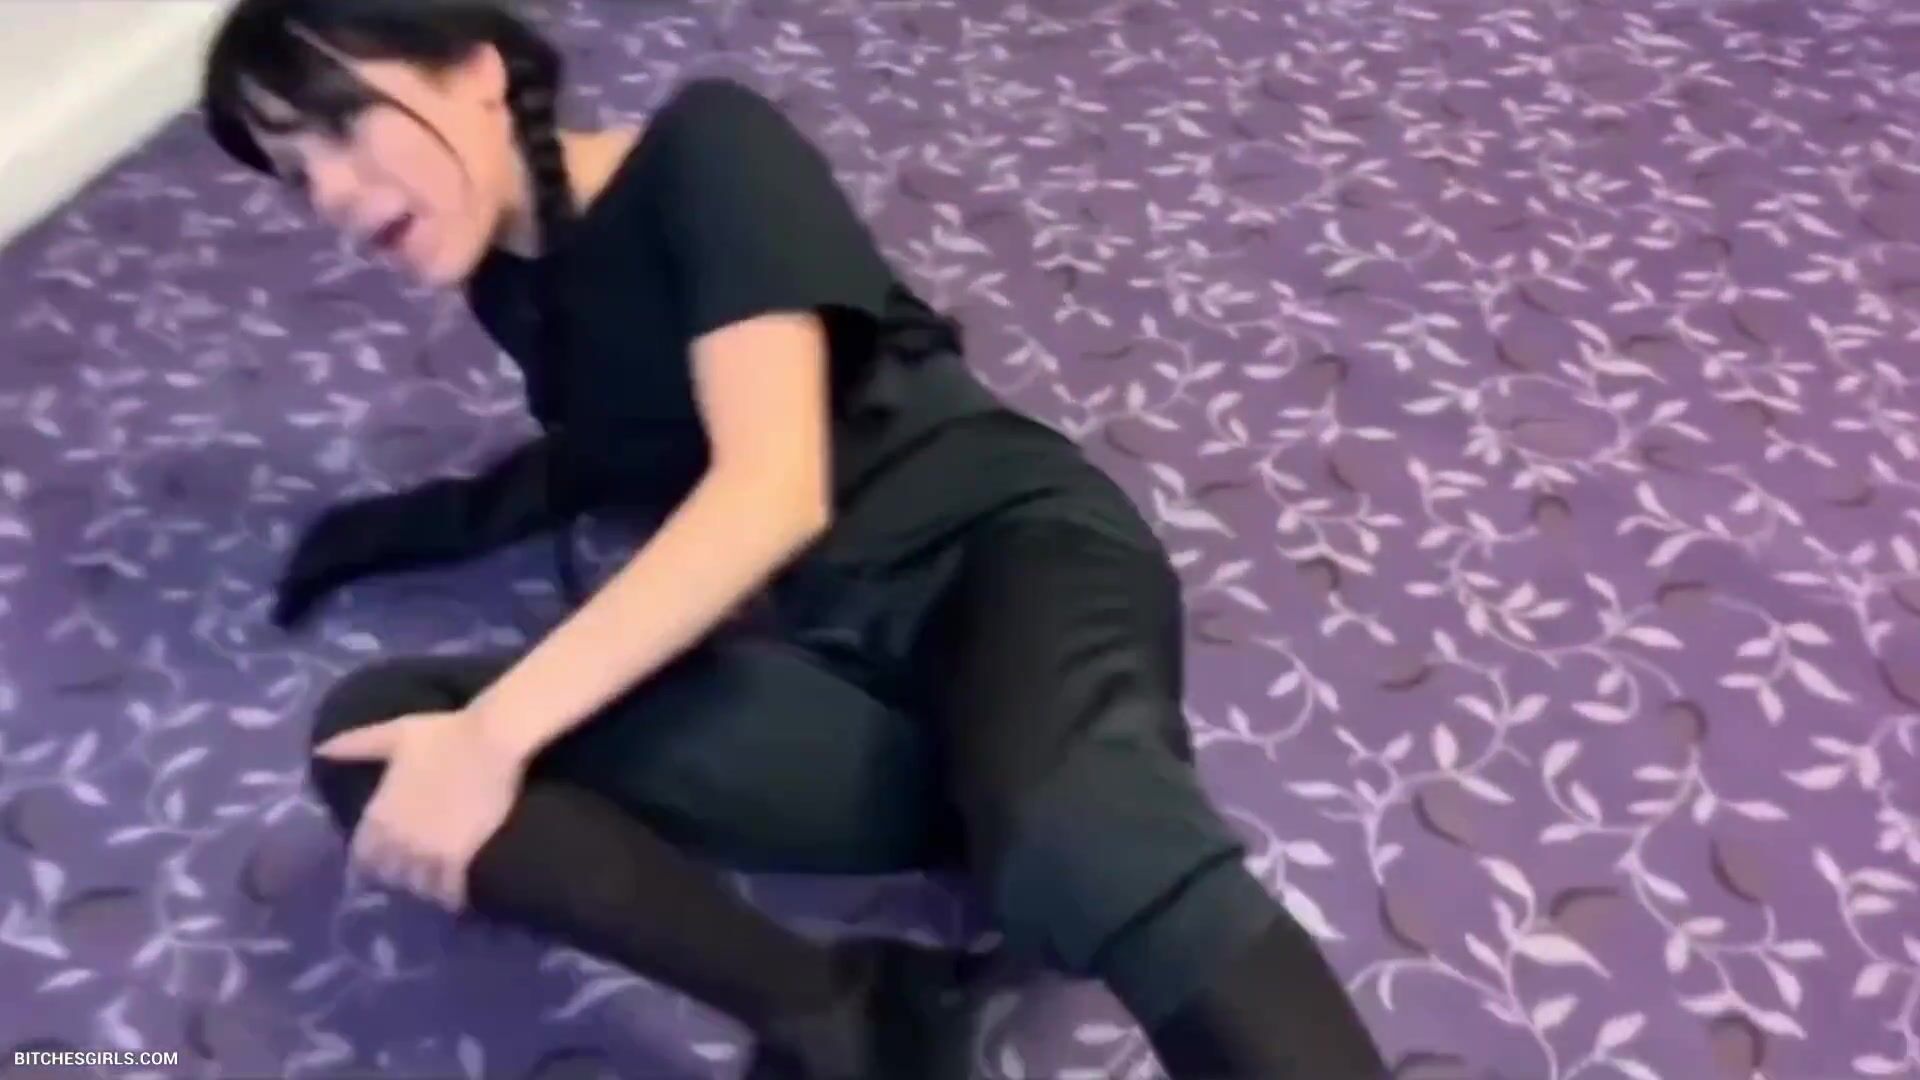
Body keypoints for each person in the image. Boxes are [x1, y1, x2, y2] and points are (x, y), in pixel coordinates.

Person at [199, 1, 1389, 1077]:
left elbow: (770, 492)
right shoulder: (511, 285)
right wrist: (393, 530)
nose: (333, 194)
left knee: (1082, 833)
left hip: (1006, 559)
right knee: (376, 742)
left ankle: (1046, 799)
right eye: (297, 174)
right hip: (844, 679)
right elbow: (605, 450)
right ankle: (843, 1009)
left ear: (475, 70)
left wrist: (496, 734)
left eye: (344, 123)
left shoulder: (709, 147)